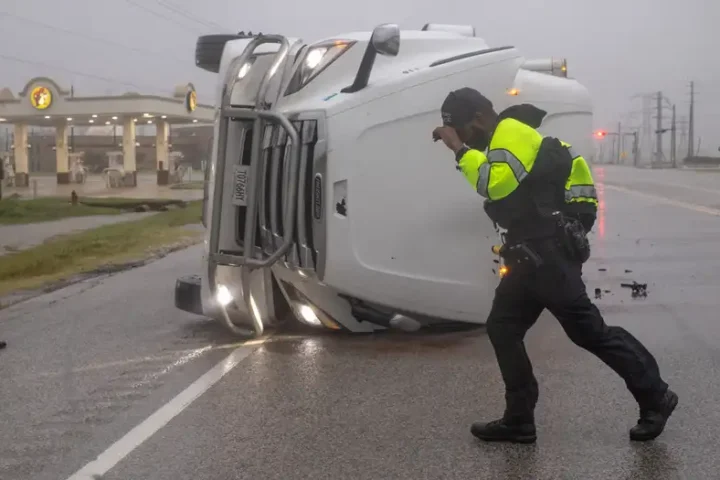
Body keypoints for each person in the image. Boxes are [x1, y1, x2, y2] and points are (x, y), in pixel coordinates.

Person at [432, 87, 677, 444]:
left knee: (589, 332)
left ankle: (656, 396)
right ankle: (519, 420)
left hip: (546, 256)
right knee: (502, 327)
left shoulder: (510, 132)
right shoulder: (511, 137)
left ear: (481, 118)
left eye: (464, 131)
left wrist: (459, 150)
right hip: (529, 255)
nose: (465, 140)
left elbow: (494, 185)